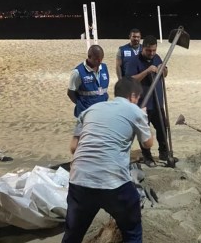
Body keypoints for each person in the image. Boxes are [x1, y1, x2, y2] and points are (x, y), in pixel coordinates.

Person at [62, 77, 153, 243]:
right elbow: (147, 144)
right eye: (137, 98)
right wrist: (144, 118)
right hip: (113, 182)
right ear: (133, 96)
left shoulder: (90, 110)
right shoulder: (135, 111)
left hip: (79, 179)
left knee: (73, 235)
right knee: (132, 229)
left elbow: (74, 147)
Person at [125, 35, 169, 167]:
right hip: (142, 103)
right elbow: (130, 80)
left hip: (157, 101)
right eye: (149, 51)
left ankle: (164, 153)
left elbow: (164, 74)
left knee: (162, 128)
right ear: (143, 48)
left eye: (154, 50)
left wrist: (164, 70)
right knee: (144, 132)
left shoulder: (157, 58)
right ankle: (147, 156)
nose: (152, 53)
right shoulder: (134, 61)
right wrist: (147, 71)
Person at [67, 44, 109, 151]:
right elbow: (70, 92)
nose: (99, 62)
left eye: (101, 59)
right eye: (96, 59)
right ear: (89, 57)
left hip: (101, 113)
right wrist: (81, 104)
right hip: (85, 114)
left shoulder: (104, 67)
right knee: (79, 141)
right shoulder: (77, 73)